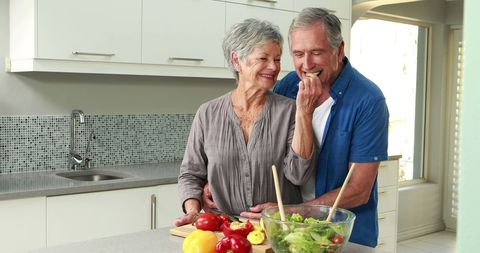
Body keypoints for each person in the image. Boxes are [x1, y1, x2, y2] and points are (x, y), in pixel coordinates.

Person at [203, 8, 389, 248]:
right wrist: (215, 180)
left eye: (316, 52)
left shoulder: (368, 101)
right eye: (298, 54)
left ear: (339, 50)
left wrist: (294, 211)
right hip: (288, 233)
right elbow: (260, 146)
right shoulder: (288, 86)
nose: (306, 64)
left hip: (343, 236)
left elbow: (358, 190)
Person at [174, 18, 321, 227]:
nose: (273, 67)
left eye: (277, 59)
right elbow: (190, 174)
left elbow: (299, 175)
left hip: (278, 231)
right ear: (237, 60)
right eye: (264, 58)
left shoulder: (291, 111)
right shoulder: (207, 113)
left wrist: (305, 114)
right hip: (223, 231)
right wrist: (193, 210)